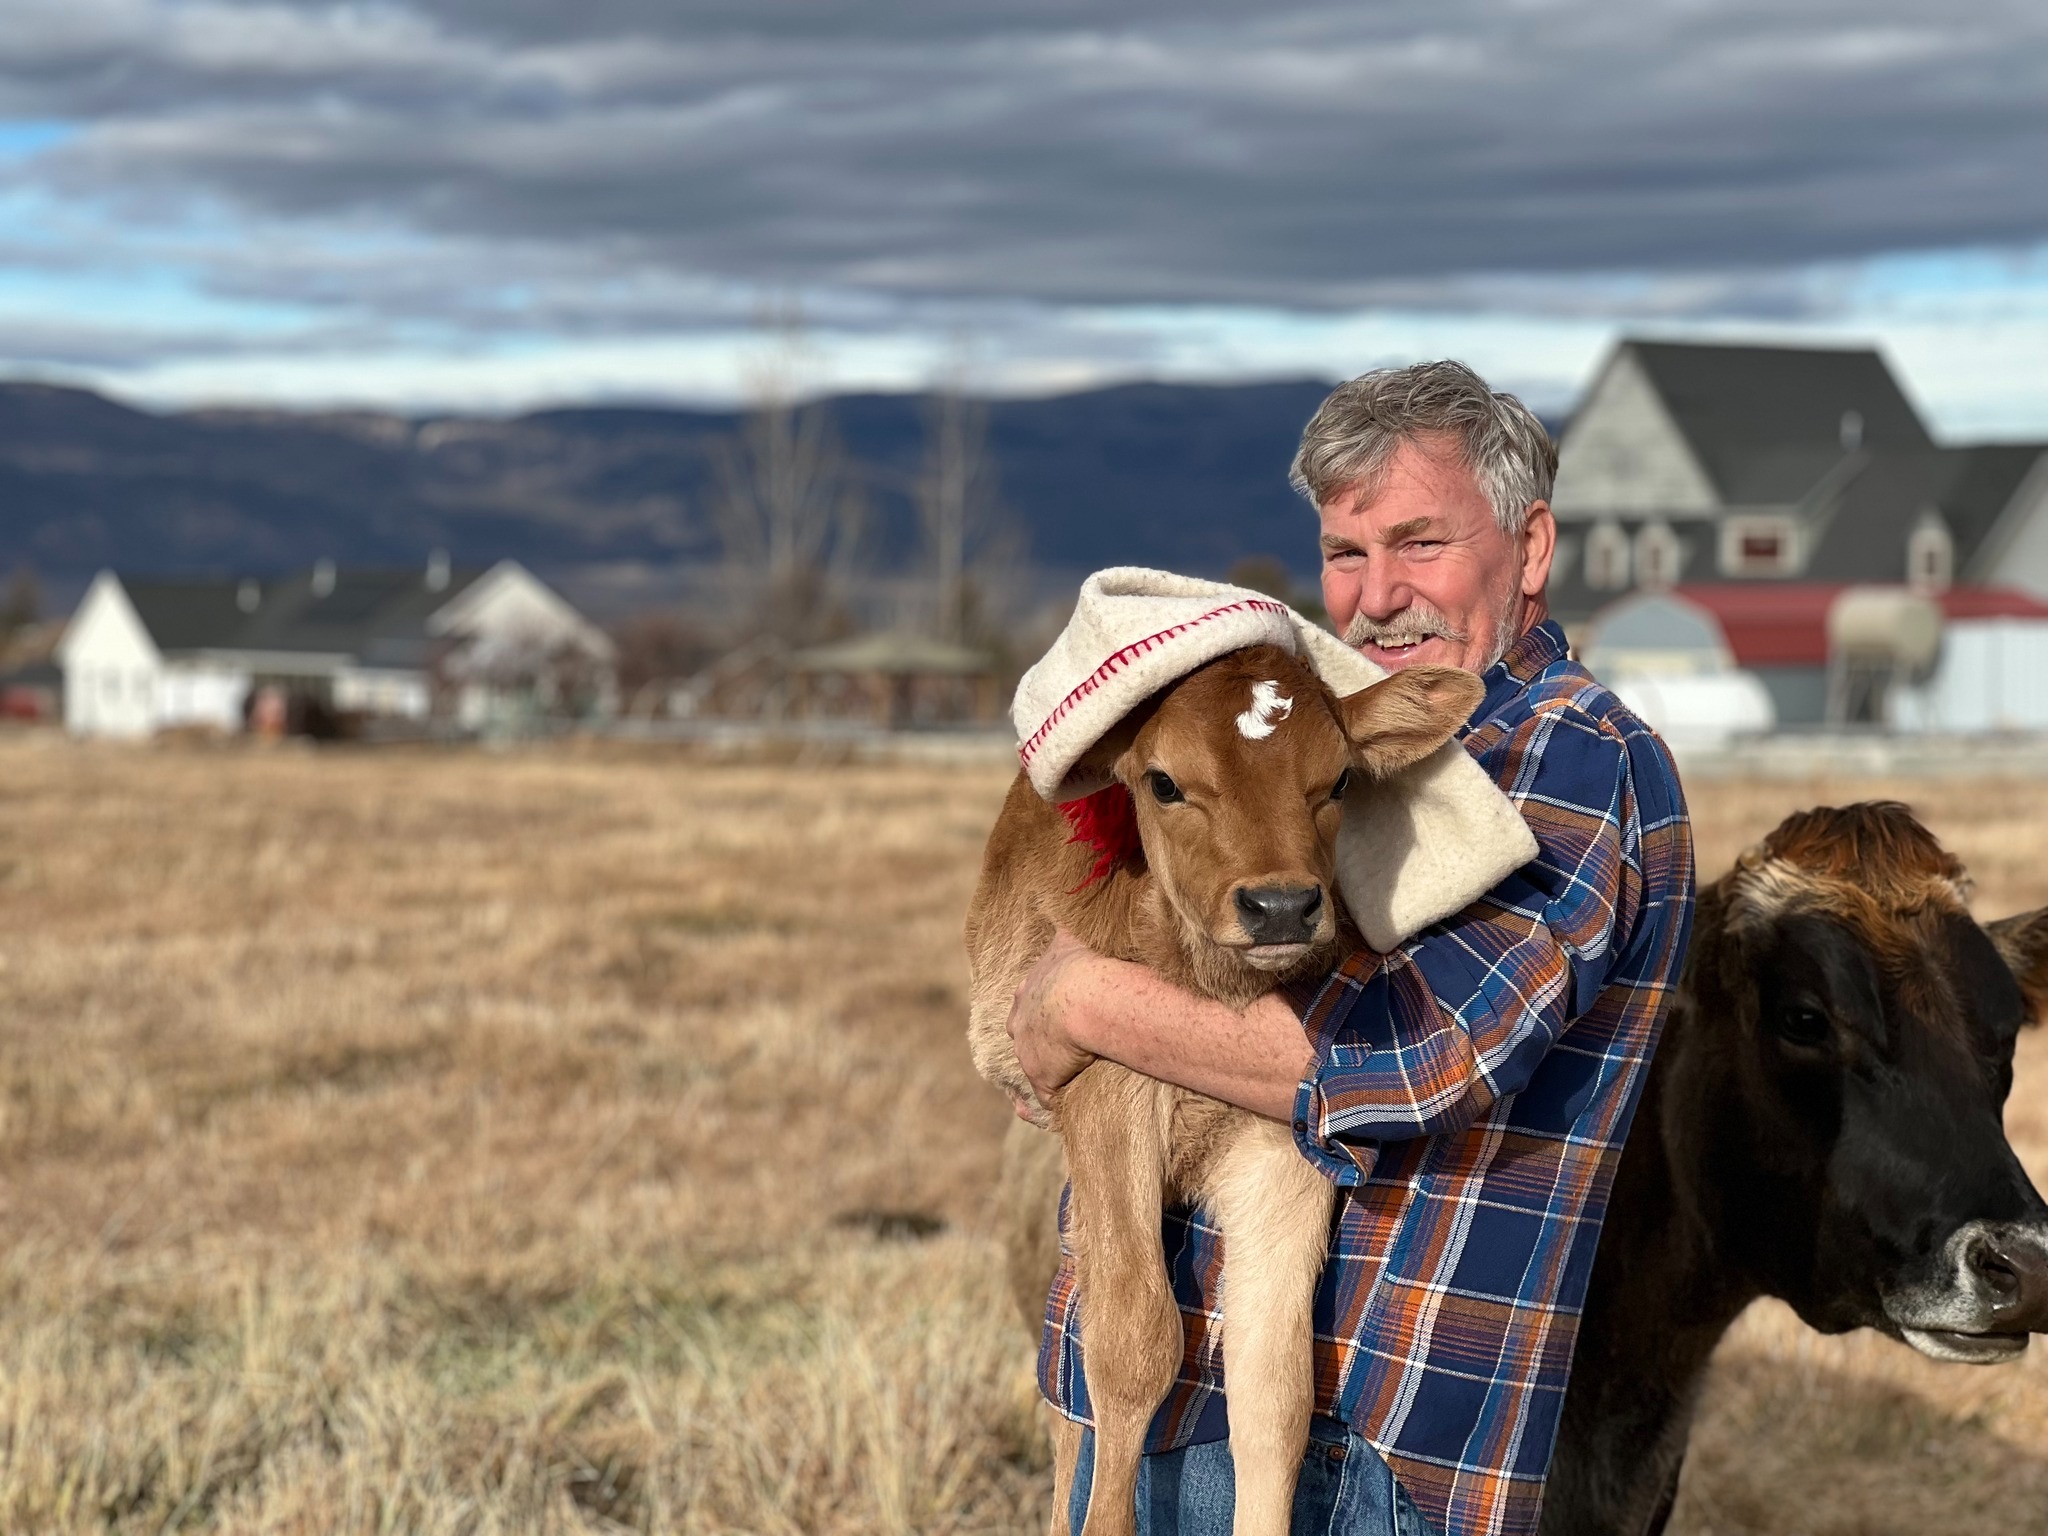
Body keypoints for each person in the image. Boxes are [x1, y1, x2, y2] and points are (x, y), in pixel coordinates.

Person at [1007, 361, 1696, 1536]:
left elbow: (1416, 1060)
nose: (1377, 598)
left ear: (1528, 549)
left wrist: (1078, 1006)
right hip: (1161, 1401)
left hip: (1371, 1451)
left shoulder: (1567, 755)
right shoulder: (1298, 731)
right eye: (1344, 554)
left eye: (1419, 544)